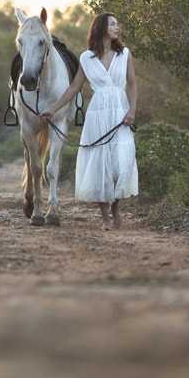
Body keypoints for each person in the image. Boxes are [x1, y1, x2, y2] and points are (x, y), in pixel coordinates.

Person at [40, 12, 138, 231]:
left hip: (120, 111)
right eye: (113, 24)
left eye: (117, 24)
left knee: (123, 164)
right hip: (98, 114)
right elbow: (74, 88)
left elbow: (131, 84)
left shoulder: (125, 54)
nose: (117, 27)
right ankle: (105, 217)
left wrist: (132, 110)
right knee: (99, 164)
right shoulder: (86, 58)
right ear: (101, 27)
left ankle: (116, 207)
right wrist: (52, 109)